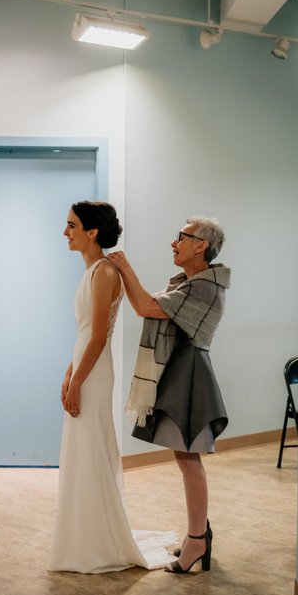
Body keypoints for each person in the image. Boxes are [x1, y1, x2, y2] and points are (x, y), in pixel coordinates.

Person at [48, 201, 177, 574]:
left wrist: (78, 381)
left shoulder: (104, 273)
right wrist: (68, 374)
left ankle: (96, 539)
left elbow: (100, 337)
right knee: (81, 447)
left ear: (92, 232)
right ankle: (84, 530)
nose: (65, 232)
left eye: (71, 225)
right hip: (85, 364)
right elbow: (86, 333)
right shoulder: (91, 272)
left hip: (95, 370)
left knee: (90, 444)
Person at [107, 216, 230, 575]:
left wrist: (125, 267)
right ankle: (199, 534)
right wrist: (125, 273)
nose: (174, 243)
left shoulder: (205, 287)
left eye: (181, 236)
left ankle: (196, 540)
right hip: (182, 370)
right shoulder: (186, 283)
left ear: (201, 245)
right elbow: (144, 305)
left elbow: (147, 307)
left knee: (189, 459)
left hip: (191, 372)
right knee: (185, 457)